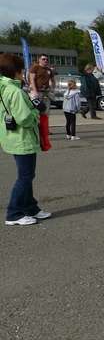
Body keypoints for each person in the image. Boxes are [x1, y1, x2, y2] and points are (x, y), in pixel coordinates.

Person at [0, 53, 50, 226]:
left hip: (11, 137)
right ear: (15, 71)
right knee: (25, 176)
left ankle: (30, 207)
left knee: (26, 175)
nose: (23, 73)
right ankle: (13, 213)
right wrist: (36, 110)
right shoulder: (15, 91)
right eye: (21, 70)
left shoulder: (3, 87)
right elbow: (25, 119)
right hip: (22, 138)